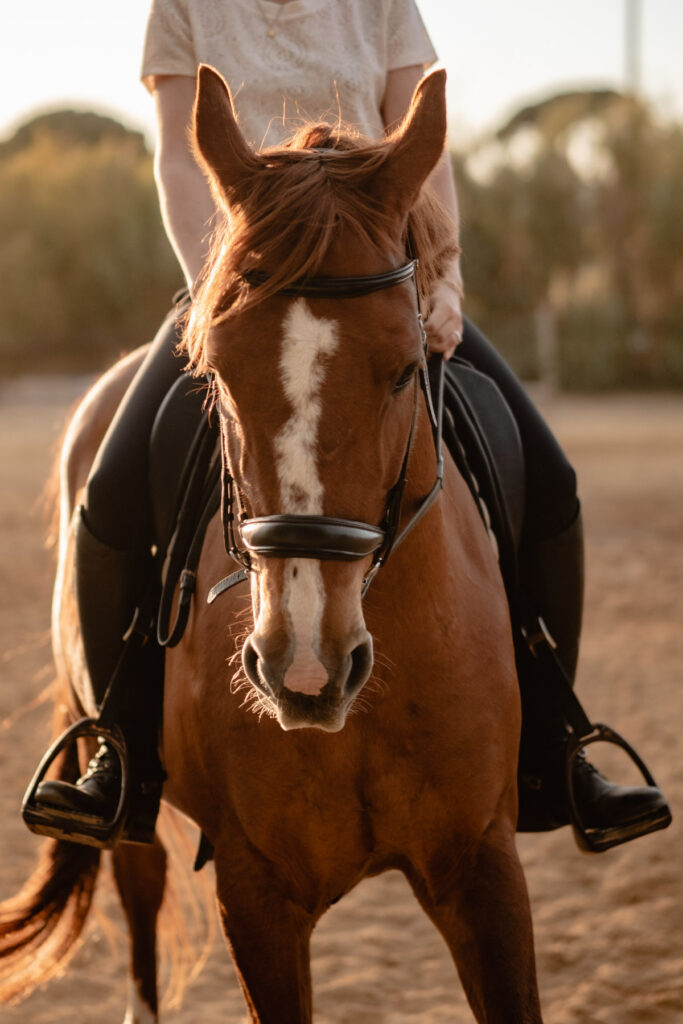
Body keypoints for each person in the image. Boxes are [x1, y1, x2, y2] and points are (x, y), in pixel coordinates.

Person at [33, 0, 670, 849]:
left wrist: (440, 281)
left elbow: (420, 147)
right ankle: (116, 749)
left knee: (549, 482)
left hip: (372, 283)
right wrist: (223, 289)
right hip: (248, 282)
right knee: (111, 491)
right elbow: (182, 161)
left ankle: (557, 742)